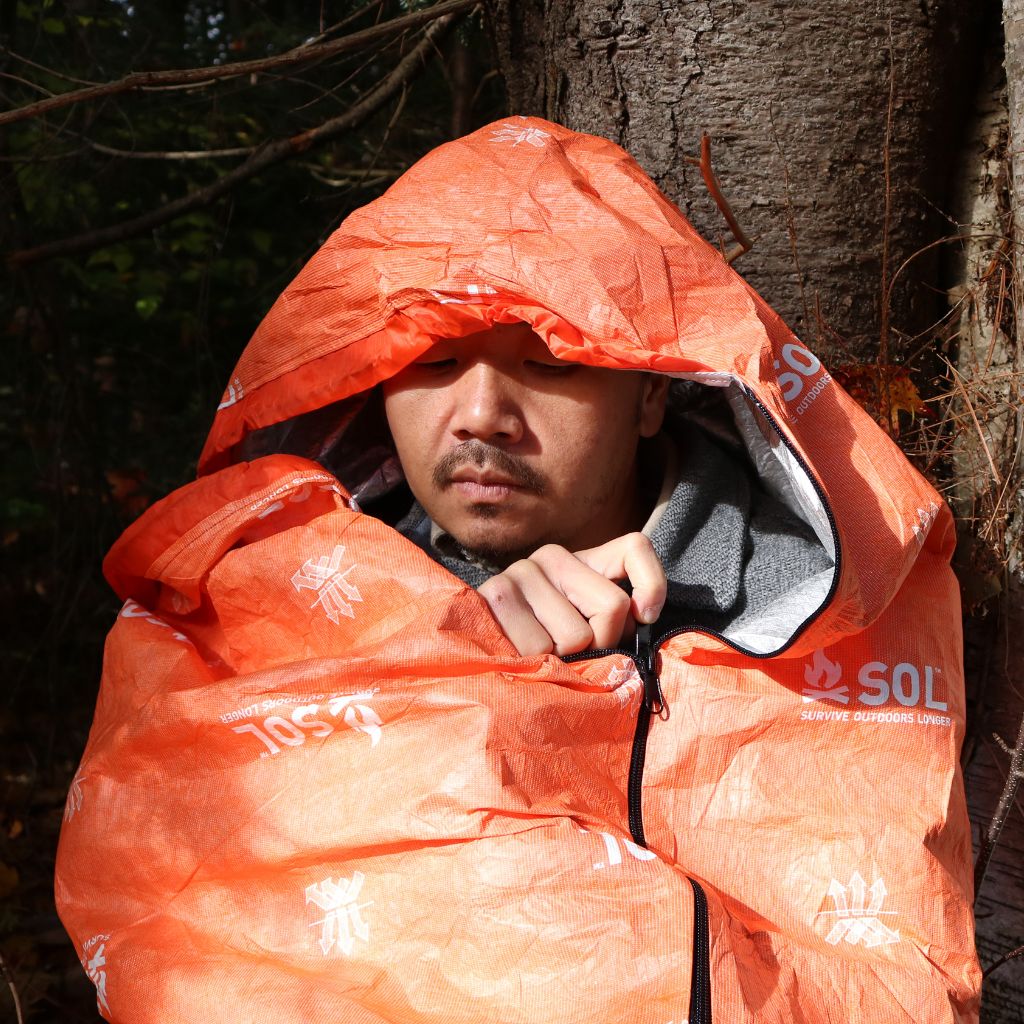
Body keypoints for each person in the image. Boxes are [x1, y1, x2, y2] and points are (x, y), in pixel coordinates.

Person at [56, 117, 980, 1023]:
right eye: (437, 359)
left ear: (652, 394)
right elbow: (174, 910)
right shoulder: (257, 600)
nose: (481, 414)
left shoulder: (824, 614)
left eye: (549, 365)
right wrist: (457, 650)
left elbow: (892, 971)